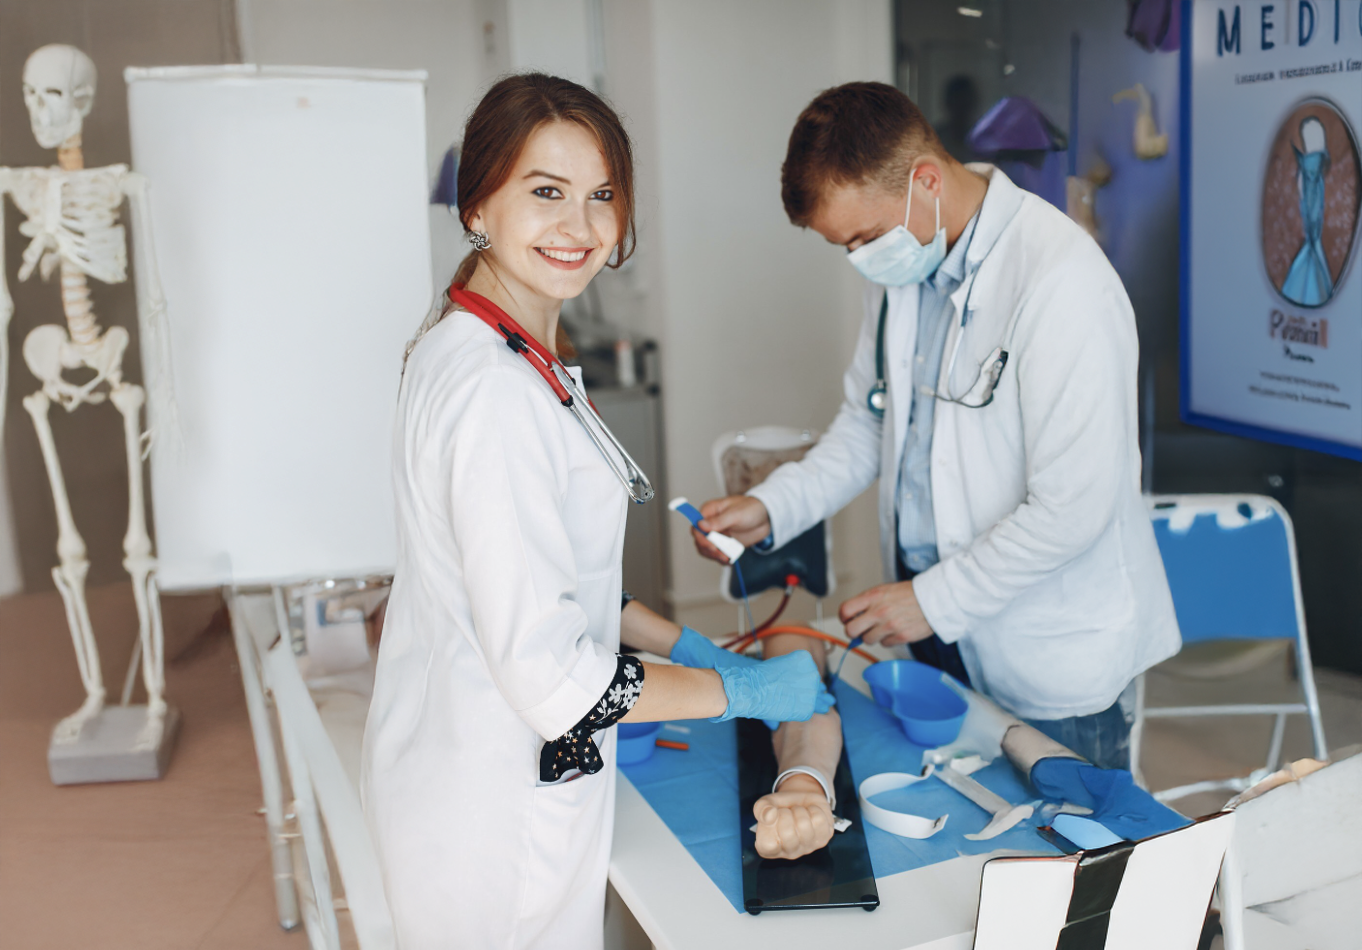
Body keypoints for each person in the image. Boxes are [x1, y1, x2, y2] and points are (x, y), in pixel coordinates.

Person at [361, 73, 830, 950]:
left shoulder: (492, 343)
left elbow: (542, 576)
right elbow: (551, 679)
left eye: (602, 196)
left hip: (469, 768)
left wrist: (673, 639)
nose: (579, 227)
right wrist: (740, 689)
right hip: (493, 813)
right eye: (546, 193)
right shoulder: (492, 391)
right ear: (478, 205)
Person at [692, 82, 1180, 857]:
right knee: (969, 863)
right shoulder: (904, 272)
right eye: (841, 246)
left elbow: (1073, 508)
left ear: (924, 179)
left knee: (1074, 871)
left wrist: (930, 600)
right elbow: (868, 422)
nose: (857, 258)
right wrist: (777, 507)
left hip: (1046, 649)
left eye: (862, 237)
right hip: (942, 636)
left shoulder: (1061, 286)